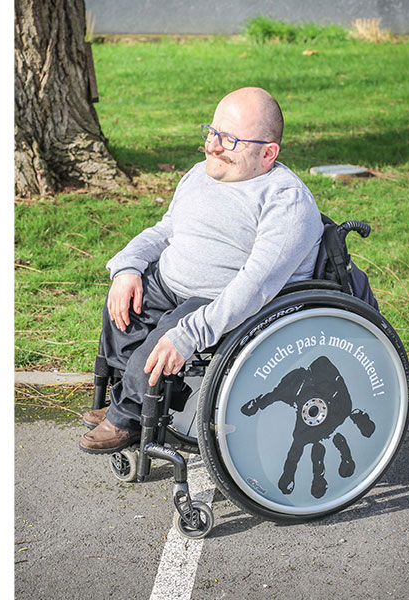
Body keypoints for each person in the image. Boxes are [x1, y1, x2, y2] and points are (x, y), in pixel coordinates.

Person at [79, 87, 323, 453]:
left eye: (229, 139)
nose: (212, 146)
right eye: (211, 132)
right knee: (123, 311)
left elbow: (254, 287)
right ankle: (124, 398)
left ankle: (127, 416)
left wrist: (189, 334)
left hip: (222, 300)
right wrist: (127, 268)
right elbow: (165, 230)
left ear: (267, 153)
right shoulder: (201, 174)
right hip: (170, 282)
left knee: (161, 342)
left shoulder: (286, 202)